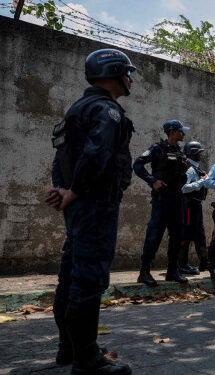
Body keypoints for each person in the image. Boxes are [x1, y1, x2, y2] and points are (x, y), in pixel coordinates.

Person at [45, 48, 134, 374]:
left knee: (71, 274)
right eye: (127, 72)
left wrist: (64, 190)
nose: (130, 78)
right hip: (95, 203)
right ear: (114, 72)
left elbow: (61, 158)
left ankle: (67, 349)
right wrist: (78, 190)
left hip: (79, 203)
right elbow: (97, 154)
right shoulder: (106, 110)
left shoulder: (78, 108)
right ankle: (87, 361)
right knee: (89, 278)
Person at [134, 120, 191, 286]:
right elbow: (137, 165)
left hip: (177, 199)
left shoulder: (179, 151)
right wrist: (152, 181)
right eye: (181, 131)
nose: (183, 133)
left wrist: (185, 168)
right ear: (172, 132)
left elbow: (180, 176)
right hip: (162, 200)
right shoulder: (157, 149)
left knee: (177, 236)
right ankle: (144, 272)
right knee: (154, 236)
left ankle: (172, 271)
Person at [178, 141, 209, 276]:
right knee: (187, 234)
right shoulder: (190, 169)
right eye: (198, 153)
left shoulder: (196, 168)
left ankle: (204, 262)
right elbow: (183, 188)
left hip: (196, 205)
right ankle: (182, 265)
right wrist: (201, 182)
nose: (200, 155)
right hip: (189, 205)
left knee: (199, 234)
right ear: (192, 153)